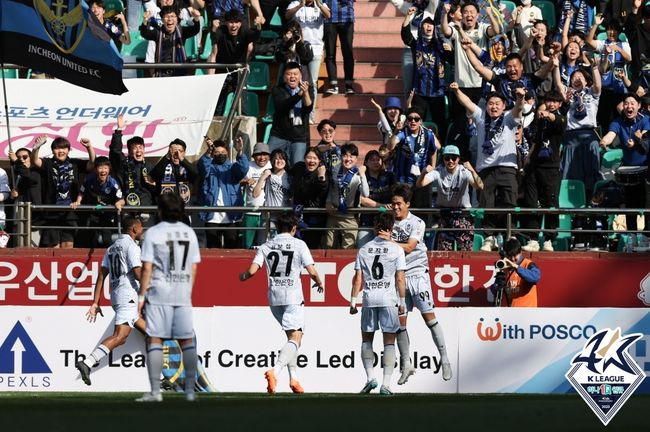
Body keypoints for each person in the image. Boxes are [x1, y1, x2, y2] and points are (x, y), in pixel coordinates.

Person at [239, 211, 325, 394]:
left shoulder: (266, 245)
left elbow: (253, 271)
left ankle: (294, 379)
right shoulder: (299, 244)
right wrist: (318, 282)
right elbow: (311, 270)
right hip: (293, 297)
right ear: (294, 228)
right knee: (296, 338)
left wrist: (243, 276)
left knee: (292, 339)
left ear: (277, 228)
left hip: (274, 298)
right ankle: (275, 371)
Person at [383, 184, 452, 384]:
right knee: (399, 323)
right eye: (393, 204)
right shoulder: (389, 222)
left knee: (429, 318)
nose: (395, 208)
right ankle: (406, 364)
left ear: (407, 204)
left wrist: (388, 242)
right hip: (399, 277)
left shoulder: (417, 222)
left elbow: (411, 247)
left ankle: (445, 359)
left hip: (418, 274)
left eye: (399, 204)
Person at [136, 192, 201, 402]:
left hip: (160, 292)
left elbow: (147, 267)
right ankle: (190, 390)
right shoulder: (189, 233)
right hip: (182, 292)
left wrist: (141, 296)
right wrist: (187, 290)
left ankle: (155, 392)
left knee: (155, 339)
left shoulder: (153, 233)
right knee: (186, 341)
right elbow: (193, 267)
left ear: (160, 210)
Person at [450, 83, 525, 252]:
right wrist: (456, 91)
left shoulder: (508, 118)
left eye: (498, 103)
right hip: (485, 169)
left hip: (507, 167)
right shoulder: (481, 117)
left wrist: (520, 98)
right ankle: (489, 237)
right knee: (486, 202)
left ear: (503, 106)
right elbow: (467, 103)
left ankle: (509, 234)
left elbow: (518, 109)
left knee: (509, 201)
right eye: (491, 103)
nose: (494, 106)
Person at [75, 215, 146, 386]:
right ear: (134, 229)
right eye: (141, 227)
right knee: (120, 337)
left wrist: (95, 302)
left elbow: (101, 275)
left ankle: (167, 374)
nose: (143, 230)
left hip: (115, 296)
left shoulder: (111, 248)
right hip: (127, 295)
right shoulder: (132, 247)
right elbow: (137, 273)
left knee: (153, 333)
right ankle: (88, 363)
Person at [349, 212, 406, 395]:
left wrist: (353, 301)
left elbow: (358, 278)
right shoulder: (397, 249)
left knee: (367, 339)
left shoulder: (364, 249)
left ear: (376, 227)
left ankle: (370, 378)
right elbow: (400, 278)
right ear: (392, 228)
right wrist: (402, 301)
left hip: (369, 299)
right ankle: (386, 384)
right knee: (389, 341)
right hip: (388, 299)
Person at [520, 91, 567, 252]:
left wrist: (546, 113)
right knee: (531, 202)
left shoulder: (560, 118)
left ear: (560, 104)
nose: (552, 103)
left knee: (551, 203)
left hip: (551, 167)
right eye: (549, 101)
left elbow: (556, 120)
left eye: (555, 101)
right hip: (534, 166)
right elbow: (536, 139)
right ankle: (533, 239)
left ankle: (549, 239)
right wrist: (529, 155)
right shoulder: (540, 120)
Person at [32, 136, 96, 248]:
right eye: (57, 148)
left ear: (68, 150)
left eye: (64, 148)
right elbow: (35, 161)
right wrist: (37, 147)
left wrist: (89, 147)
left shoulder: (74, 163)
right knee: (53, 247)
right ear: (52, 151)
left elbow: (91, 165)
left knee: (68, 246)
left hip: (70, 212)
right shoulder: (48, 163)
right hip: (51, 213)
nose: (61, 151)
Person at [416, 145, 483, 251]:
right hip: (445, 214)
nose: (450, 161)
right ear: (443, 159)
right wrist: (424, 172)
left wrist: (472, 171)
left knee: (465, 252)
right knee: (444, 252)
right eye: (447, 158)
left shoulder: (464, 171)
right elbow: (420, 184)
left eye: (454, 158)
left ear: (458, 159)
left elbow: (480, 186)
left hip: (463, 215)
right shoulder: (438, 171)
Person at [599, 93, 650, 231]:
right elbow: (611, 135)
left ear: (639, 106)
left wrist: (637, 141)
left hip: (646, 167)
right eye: (626, 103)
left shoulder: (646, 119)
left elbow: (645, 136)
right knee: (630, 204)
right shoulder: (617, 122)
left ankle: (647, 236)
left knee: (647, 204)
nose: (629, 106)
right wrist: (604, 141)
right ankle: (632, 234)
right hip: (628, 169)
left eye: (632, 103)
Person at [401, 11, 446, 141]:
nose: (428, 27)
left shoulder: (441, 45)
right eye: (425, 24)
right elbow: (405, 35)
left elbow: (451, 58)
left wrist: (450, 50)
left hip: (438, 92)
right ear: (421, 28)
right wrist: (408, 16)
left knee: (441, 123)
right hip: (420, 92)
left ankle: (441, 148)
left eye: (431, 24)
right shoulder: (417, 45)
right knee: (416, 120)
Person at [207, 9, 262, 114]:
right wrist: (213, 29)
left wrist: (258, 26)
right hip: (223, 69)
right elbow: (214, 40)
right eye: (231, 22)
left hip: (239, 69)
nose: (233, 25)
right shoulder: (221, 30)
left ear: (240, 23)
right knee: (218, 105)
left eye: (236, 22)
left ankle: (242, 126)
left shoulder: (244, 30)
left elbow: (255, 36)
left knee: (243, 104)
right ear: (226, 23)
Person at [198, 136, 249, 248]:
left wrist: (240, 151)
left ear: (227, 153)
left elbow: (243, 168)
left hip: (231, 215)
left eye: (223, 152)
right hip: (211, 216)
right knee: (213, 248)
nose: (220, 154)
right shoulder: (209, 167)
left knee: (232, 248)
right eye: (217, 152)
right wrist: (209, 151)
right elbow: (202, 167)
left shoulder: (232, 168)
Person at [286, 0, 331, 123]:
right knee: (294, 81)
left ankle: (310, 114)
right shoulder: (295, 3)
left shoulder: (320, 4)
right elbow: (287, 15)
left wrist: (319, 4)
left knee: (312, 82)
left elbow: (328, 15)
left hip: (315, 49)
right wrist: (300, 5)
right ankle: (294, 111)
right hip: (298, 48)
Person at [71, 156, 125, 248]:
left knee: (107, 239)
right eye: (100, 168)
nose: (103, 171)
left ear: (109, 169)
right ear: (95, 169)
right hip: (93, 214)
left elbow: (122, 199)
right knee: (91, 238)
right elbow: (81, 192)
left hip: (107, 215)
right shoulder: (89, 179)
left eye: (105, 168)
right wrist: (78, 201)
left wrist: (119, 203)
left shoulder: (112, 182)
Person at [268, 62, 314, 166]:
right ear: (284, 76)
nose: (292, 76)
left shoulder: (308, 89)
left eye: (295, 74)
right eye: (289, 74)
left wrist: (305, 93)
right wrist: (299, 95)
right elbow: (283, 106)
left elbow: (308, 109)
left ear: (300, 76)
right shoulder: (278, 89)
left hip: (299, 136)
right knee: (268, 163)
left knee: (298, 167)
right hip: (279, 135)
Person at [325, 142, 369, 249]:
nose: (348, 159)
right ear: (340, 157)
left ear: (356, 158)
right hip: (334, 214)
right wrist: (328, 202)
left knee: (348, 249)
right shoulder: (335, 171)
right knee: (329, 246)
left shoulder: (358, 175)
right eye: (345, 155)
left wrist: (363, 174)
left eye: (351, 156)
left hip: (350, 216)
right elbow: (332, 188)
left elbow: (365, 193)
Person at [109, 115, 156, 211]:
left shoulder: (150, 167)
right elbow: (115, 151)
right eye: (135, 148)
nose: (138, 151)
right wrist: (118, 130)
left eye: (140, 147)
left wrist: (154, 184)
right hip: (128, 208)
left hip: (148, 209)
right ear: (129, 151)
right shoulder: (124, 164)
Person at [140, 5, 202, 77]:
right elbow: (144, 33)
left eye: (172, 16)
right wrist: (145, 20)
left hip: (179, 72)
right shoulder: (157, 32)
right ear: (162, 20)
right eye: (166, 17)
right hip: (161, 73)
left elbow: (195, 30)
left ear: (177, 19)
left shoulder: (182, 31)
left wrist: (196, 18)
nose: (169, 19)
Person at [291, 147, 328, 249]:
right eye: (309, 158)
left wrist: (322, 178)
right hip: (297, 215)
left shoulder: (322, 173)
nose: (311, 161)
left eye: (315, 158)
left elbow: (323, 191)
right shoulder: (298, 167)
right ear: (304, 158)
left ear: (319, 161)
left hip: (314, 218)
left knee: (311, 248)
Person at [358, 150, 395, 247]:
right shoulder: (361, 177)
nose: (375, 162)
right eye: (372, 160)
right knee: (363, 249)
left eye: (378, 160)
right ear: (366, 162)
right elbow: (362, 199)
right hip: (367, 222)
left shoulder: (389, 176)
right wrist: (381, 207)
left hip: (386, 223)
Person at [492, 237, 541, 307]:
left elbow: (535, 277)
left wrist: (516, 267)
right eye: (509, 256)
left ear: (520, 252)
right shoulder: (504, 267)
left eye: (515, 255)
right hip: (509, 313)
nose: (512, 259)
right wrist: (497, 285)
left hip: (527, 313)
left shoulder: (528, 264)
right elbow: (494, 291)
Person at [8, 147, 42, 246]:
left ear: (31, 158)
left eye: (25, 157)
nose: (21, 159)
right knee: (17, 247)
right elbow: (9, 200)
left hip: (33, 220)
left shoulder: (36, 172)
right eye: (19, 157)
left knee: (32, 249)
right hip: (18, 218)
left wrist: (16, 161)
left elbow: (28, 177)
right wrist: (12, 196)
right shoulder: (15, 176)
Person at [149, 138, 199, 206]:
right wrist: (167, 156)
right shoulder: (163, 165)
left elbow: (196, 174)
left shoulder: (187, 167)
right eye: (174, 151)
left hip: (184, 208)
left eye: (180, 151)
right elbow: (154, 175)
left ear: (184, 153)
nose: (176, 154)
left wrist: (182, 160)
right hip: (166, 209)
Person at [242, 142, 273, 249]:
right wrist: (245, 181)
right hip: (250, 211)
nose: (262, 157)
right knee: (247, 244)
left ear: (269, 156)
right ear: (254, 156)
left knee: (264, 246)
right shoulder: (248, 166)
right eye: (258, 154)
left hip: (267, 213)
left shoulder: (273, 165)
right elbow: (236, 180)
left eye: (265, 154)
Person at [323, 0, 356, 94]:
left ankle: (349, 84)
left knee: (348, 53)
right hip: (329, 18)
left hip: (347, 18)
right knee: (330, 53)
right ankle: (333, 84)